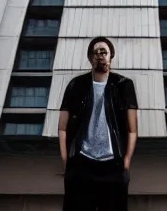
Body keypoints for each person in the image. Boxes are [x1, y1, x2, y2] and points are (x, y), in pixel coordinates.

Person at [58, 36, 138, 211]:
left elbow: (132, 130)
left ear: (111, 56)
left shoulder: (124, 85)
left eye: (104, 52)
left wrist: (126, 162)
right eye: (95, 52)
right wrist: (66, 161)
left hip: (113, 165)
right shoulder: (75, 85)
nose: (100, 55)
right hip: (81, 163)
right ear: (90, 58)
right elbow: (62, 128)